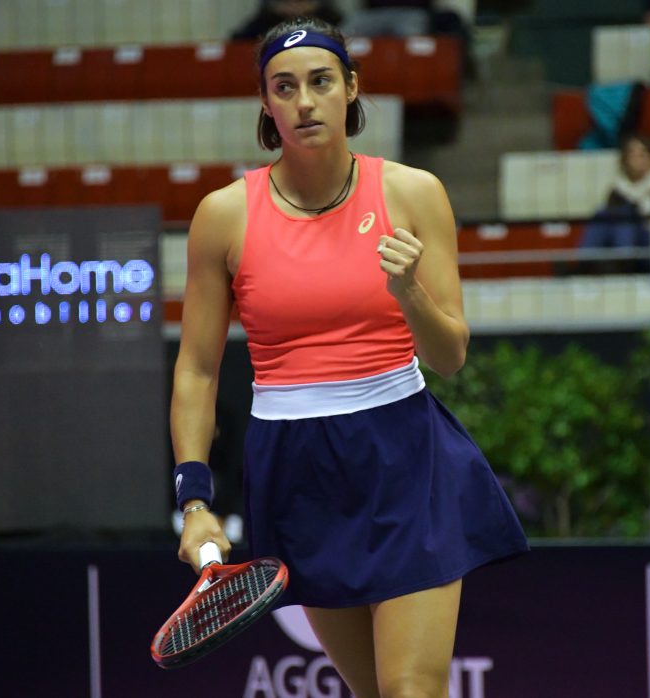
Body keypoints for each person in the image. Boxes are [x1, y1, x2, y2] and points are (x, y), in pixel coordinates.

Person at [171, 17, 528, 698]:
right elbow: (196, 368)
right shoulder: (223, 216)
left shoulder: (413, 193)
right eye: (285, 86)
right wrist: (194, 499)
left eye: (320, 82)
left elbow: (449, 354)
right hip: (294, 467)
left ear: (351, 88)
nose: (304, 101)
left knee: (410, 692)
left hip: (404, 454)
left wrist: (408, 292)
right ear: (265, 103)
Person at [576, 135, 650, 274]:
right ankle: (587, 259)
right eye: (633, 154)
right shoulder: (618, 187)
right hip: (625, 236)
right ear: (625, 159)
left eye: (642, 154)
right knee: (602, 213)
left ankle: (623, 260)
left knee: (625, 215)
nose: (638, 159)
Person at [231, 0, 343, 40]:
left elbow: (345, 35)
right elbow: (237, 40)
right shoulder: (264, 20)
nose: (295, 7)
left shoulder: (328, 17)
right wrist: (277, 9)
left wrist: (314, 7)